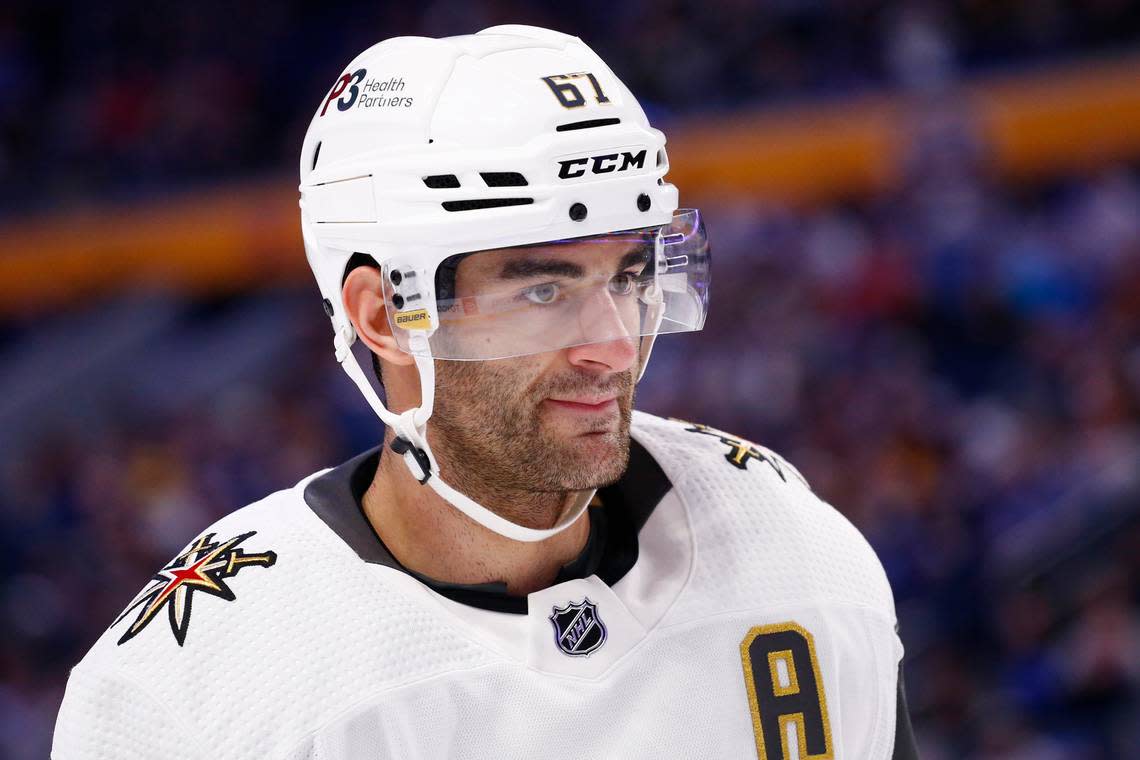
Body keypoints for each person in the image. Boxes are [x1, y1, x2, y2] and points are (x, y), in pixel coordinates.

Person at [53, 25, 917, 759]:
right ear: (385, 315)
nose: (614, 346)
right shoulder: (199, 687)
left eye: (627, 274)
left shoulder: (790, 551)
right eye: (543, 292)